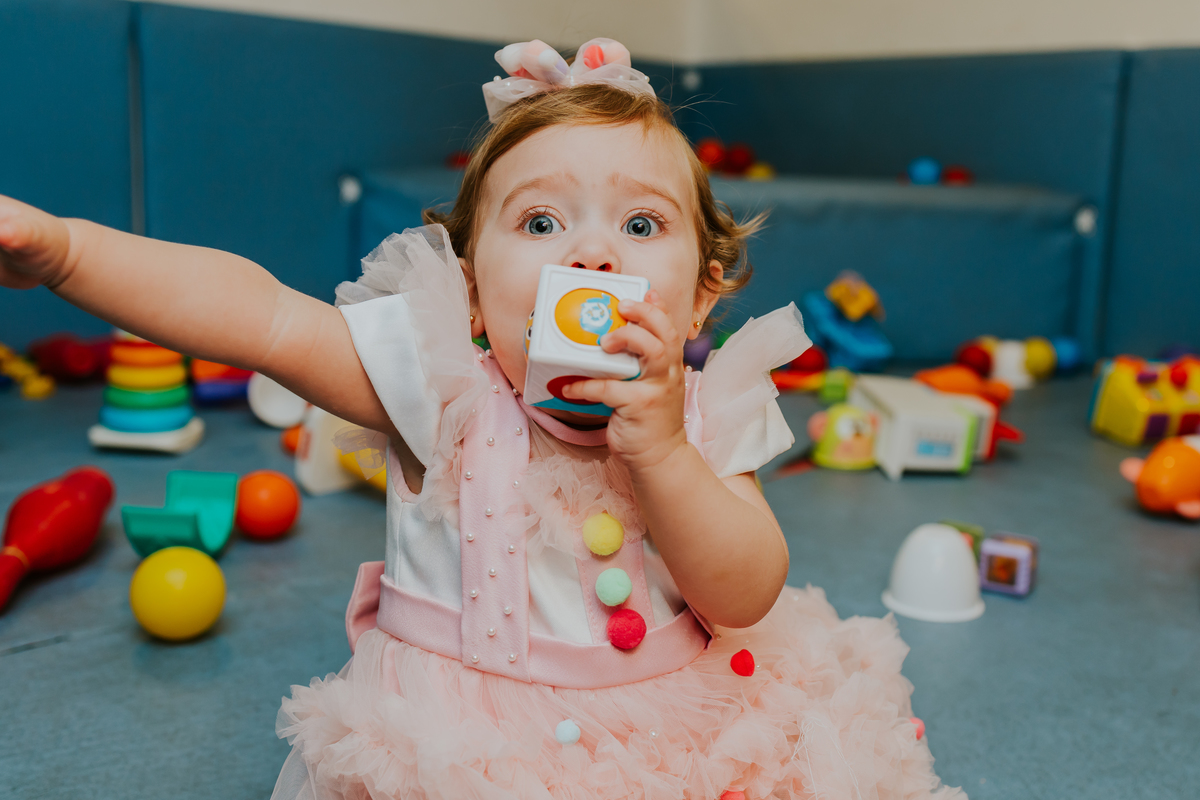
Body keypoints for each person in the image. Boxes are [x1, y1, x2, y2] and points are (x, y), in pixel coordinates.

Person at [0, 37, 964, 800]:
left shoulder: (714, 408)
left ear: (704, 298)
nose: (590, 253)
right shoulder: (437, 386)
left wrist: (665, 448)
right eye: (541, 223)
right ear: (467, 292)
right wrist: (66, 252)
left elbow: (743, 591)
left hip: (677, 734)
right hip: (463, 755)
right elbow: (257, 313)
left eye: (640, 225)